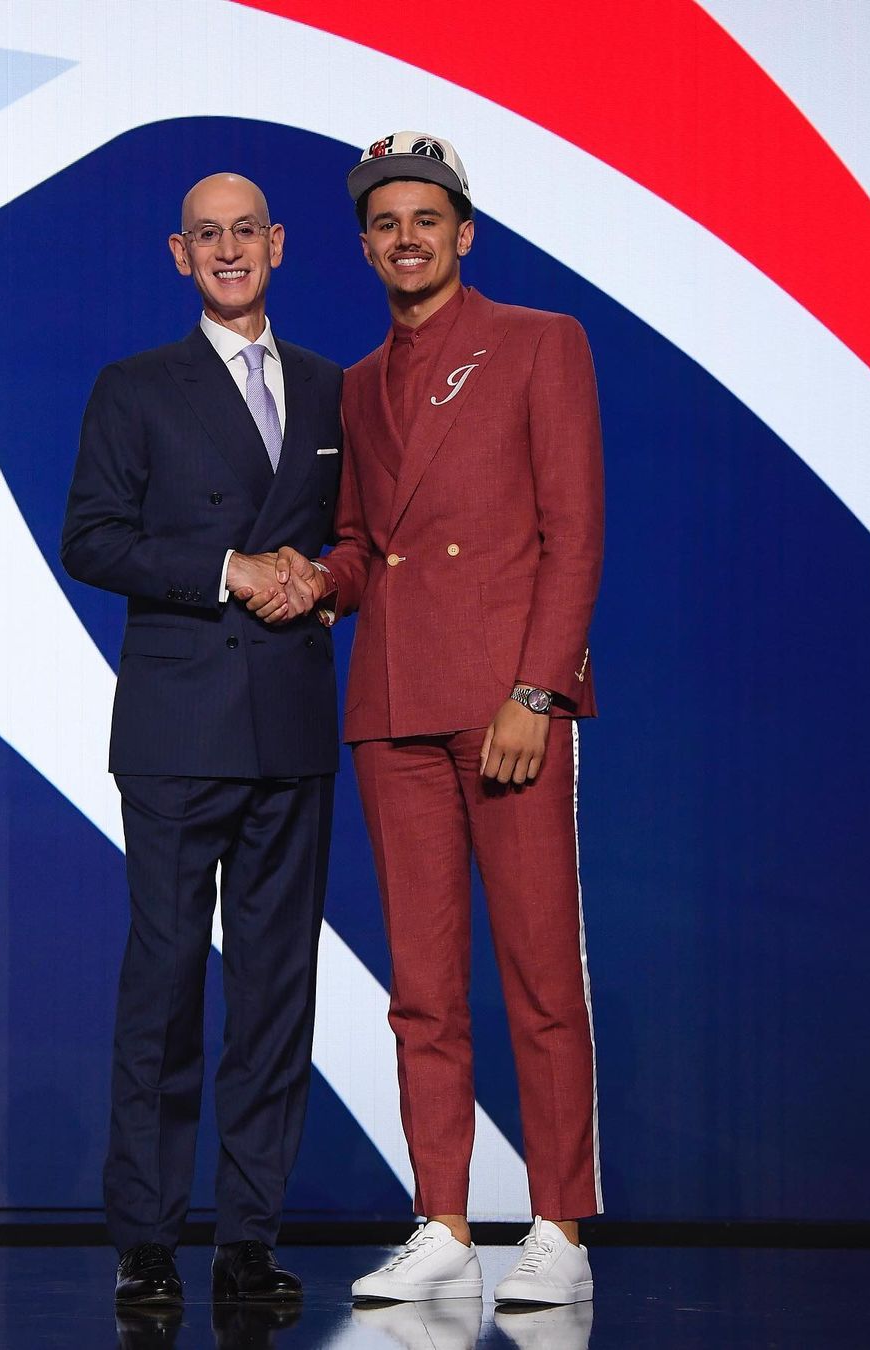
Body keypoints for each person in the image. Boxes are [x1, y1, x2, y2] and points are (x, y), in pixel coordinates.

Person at [243, 131, 604, 1306]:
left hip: (506, 704)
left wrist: (537, 692)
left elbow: (574, 534)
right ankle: (442, 1218)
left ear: (464, 233)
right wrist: (315, 579)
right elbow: (362, 544)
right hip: (394, 704)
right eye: (387, 223)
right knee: (422, 986)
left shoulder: (542, 341)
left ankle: (559, 1223)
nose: (408, 238)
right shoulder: (357, 383)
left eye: (427, 219)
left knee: (540, 972)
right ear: (365, 247)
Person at [61, 172, 343, 1307]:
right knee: (166, 987)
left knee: (275, 996)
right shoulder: (134, 387)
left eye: (246, 232)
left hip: (292, 728)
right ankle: (146, 1237)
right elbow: (92, 537)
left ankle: (247, 1239)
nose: (229, 250)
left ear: (277, 244)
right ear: (180, 255)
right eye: (206, 236)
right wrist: (228, 570)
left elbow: (360, 536)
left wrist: (325, 578)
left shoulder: (327, 387)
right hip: (178, 730)